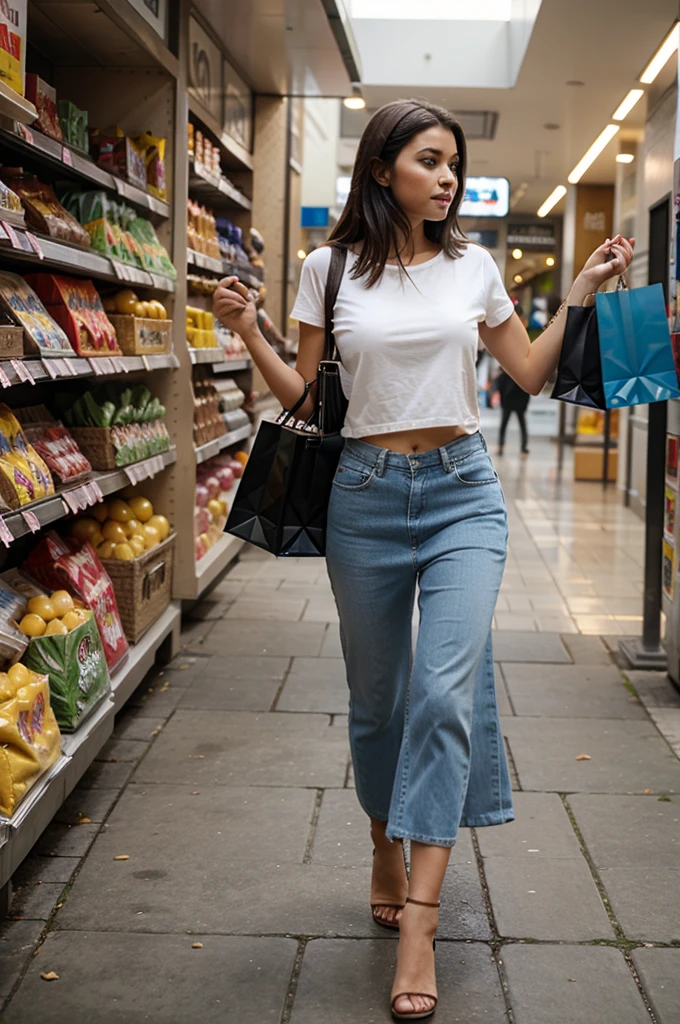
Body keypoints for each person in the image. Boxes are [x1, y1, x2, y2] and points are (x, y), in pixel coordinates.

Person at [213, 99, 634, 1021]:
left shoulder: (474, 266)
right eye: (432, 162)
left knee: (444, 695)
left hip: (462, 494)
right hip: (363, 495)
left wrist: (582, 291)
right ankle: (381, 842)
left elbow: (526, 373)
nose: (448, 178)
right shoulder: (328, 272)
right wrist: (249, 333)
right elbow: (312, 403)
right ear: (381, 170)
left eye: (455, 164)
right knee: (377, 707)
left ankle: (421, 925)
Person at [495, 301, 530, 456]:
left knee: (514, 421)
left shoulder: (516, 333)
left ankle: (519, 447)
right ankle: (506, 445)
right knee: (509, 421)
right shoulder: (513, 332)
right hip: (513, 388)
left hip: (515, 389)